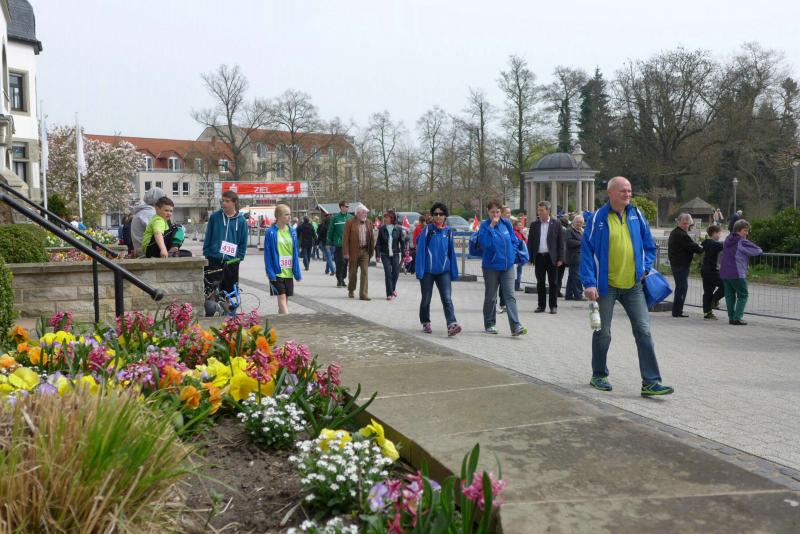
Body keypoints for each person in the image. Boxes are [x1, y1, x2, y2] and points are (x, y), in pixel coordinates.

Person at [580, 176, 674, 397]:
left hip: (633, 285)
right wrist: (589, 283)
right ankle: (599, 375)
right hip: (605, 286)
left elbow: (649, 246)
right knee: (603, 333)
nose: (628, 194)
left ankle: (651, 382)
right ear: (610, 193)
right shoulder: (598, 218)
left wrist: (645, 267)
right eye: (623, 190)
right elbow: (586, 252)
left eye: (630, 190)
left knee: (644, 330)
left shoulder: (636, 214)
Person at [477, 200, 527, 336]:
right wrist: (492, 227)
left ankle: (515, 326)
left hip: (507, 266)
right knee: (491, 296)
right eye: (492, 212)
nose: (495, 214)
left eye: (497, 212)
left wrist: (512, 254)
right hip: (491, 267)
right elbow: (485, 244)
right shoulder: (484, 226)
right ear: (488, 212)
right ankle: (489, 324)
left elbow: (514, 240)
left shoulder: (506, 224)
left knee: (510, 295)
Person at [416, 203, 461, 337]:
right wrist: (419, 271)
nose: (438, 216)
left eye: (441, 214)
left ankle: (451, 324)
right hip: (428, 271)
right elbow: (420, 251)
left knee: (447, 298)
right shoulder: (428, 230)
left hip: (444, 271)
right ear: (432, 215)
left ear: (445, 216)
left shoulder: (448, 232)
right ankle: (425, 321)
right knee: (426, 299)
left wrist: (454, 272)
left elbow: (451, 253)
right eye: (435, 214)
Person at [203, 190, 249, 294]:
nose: (224, 203)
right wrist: (207, 254)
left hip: (231, 262)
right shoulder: (215, 217)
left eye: (227, 201)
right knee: (211, 292)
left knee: (228, 294)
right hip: (213, 260)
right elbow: (208, 236)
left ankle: (227, 306)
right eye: (222, 201)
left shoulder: (241, 221)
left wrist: (237, 259)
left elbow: (243, 243)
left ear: (234, 202)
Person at [720, 219, 762, 325]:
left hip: (725, 272)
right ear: (738, 230)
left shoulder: (727, 239)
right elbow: (757, 250)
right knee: (743, 295)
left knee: (729, 296)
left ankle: (731, 317)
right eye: (745, 231)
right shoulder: (742, 241)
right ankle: (737, 318)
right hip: (737, 272)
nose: (746, 233)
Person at [527, 201, 565, 314]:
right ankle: (541, 305)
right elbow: (530, 242)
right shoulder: (534, 225)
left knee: (553, 283)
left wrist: (561, 258)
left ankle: (553, 306)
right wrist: (530, 258)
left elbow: (561, 243)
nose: (539, 212)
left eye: (541, 210)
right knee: (540, 282)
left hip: (551, 258)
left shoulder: (556, 224)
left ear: (548, 211)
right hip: (539, 257)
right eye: (538, 210)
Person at [264, 204, 302, 315]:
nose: (289, 217)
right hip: (277, 272)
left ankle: (280, 322)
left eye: (290, 214)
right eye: (286, 214)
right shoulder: (270, 232)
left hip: (288, 271)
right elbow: (267, 255)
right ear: (278, 216)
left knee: (285, 300)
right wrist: (270, 273)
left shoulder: (292, 231)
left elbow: (295, 252)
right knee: (281, 298)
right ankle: (289, 321)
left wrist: (297, 272)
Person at [667, 213, 703, 318]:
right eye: (684, 223)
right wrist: (703, 248)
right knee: (682, 287)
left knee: (681, 287)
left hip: (678, 264)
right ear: (678, 222)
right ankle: (678, 311)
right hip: (680, 265)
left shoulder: (676, 232)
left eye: (687, 223)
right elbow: (693, 247)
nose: (686, 225)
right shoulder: (681, 234)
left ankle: (677, 310)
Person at [343, 207, 375, 300]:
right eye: (363, 212)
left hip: (365, 251)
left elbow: (372, 237)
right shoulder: (350, 223)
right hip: (353, 251)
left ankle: (363, 294)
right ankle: (351, 289)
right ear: (357, 213)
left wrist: (372, 251)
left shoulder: (369, 222)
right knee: (353, 272)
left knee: (364, 272)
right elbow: (345, 239)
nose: (365, 214)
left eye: (366, 213)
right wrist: (346, 252)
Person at [375, 210, 406, 301]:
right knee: (388, 273)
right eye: (385, 217)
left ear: (392, 219)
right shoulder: (382, 229)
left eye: (387, 217)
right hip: (385, 254)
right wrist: (377, 255)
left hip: (395, 254)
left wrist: (404, 254)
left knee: (396, 272)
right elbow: (378, 243)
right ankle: (389, 293)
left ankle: (392, 289)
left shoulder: (398, 228)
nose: (385, 219)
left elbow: (402, 243)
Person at [130, 187, 166, 257]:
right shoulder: (150, 213)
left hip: (141, 251)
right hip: (148, 253)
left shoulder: (141, 212)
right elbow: (158, 232)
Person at [700, 225, 725, 320]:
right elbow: (726, 246)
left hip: (705, 270)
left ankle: (707, 313)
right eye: (719, 233)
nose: (720, 235)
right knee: (726, 285)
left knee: (707, 291)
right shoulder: (714, 244)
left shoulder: (706, 242)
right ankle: (714, 301)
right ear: (714, 233)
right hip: (712, 271)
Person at [328, 201, 353, 288]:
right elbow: (330, 231)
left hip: (349, 245)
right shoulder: (335, 218)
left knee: (345, 263)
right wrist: (328, 242)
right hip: (339, 244)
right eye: (346, 206)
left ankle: (343, 278)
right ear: (341, 207)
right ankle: (339, 279)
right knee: (340, 262)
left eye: (348, 206)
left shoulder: (351, 217)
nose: (347, 208)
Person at [564, 214, 585, 301]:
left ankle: (568, 295)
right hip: (573, 257)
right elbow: (569, 242)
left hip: (579, 256)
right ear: (573, 222)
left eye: (581, 223)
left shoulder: (582, 231)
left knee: (572, 276)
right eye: (577, 222)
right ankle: (578, 295)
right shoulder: (569, 230)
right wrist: (581, 242)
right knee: (577, 276)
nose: (579, 224)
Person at [557, 215, 570, 297]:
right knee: (560, 275)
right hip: (564, 256)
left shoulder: (559, 230)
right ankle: (557, 291)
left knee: (557, 275)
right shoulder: (567, 231)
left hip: (558, 255)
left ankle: (556, 291)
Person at [512, 219, 527, 291]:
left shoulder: (520, 232)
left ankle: (517, 286)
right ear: (515, 226)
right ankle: (516, 286)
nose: (521, 226)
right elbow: (519, 243)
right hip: (517, 254)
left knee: (518, 271)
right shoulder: (515, 233)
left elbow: (525, 241)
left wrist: (523, 235)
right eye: (519, 225)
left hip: (520, 254)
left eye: (521, 225)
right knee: (517, 271)